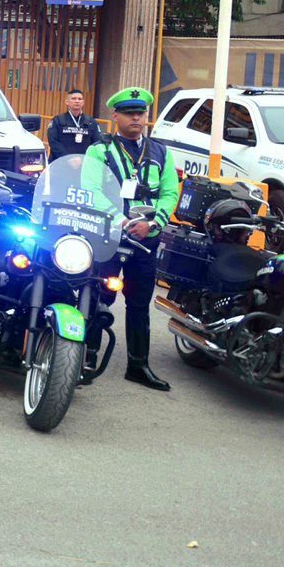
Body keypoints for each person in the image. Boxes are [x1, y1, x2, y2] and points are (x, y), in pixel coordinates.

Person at [80, 86, 180, 391]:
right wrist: (122, 219)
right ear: (115, 116)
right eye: (129, 113)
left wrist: (153, 224)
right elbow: (91, 189)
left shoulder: (161, 152)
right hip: (108, 235)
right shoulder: (100, 150)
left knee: (139, 303)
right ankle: (86, 359)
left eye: (141, 113)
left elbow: (170, 191)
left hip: (144, 239)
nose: (136, 118)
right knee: (97, 297)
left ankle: (138, 366)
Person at [47, 89, 96, 159]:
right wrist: (68, 158)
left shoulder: (91, 122)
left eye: (80, 99)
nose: (77, 101)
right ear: (67, 102)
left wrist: (84, 159)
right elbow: (53, 142)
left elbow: (96, 142)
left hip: (83, 162)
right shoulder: (57, 120)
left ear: (83, 102)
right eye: (73, 99)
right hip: (61, 162)